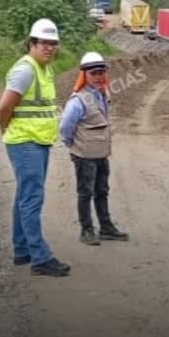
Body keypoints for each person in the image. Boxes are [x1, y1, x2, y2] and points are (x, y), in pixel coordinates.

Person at [0, 18, 70, 277]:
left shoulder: (44, 69)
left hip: (38, 141)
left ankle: (22, 250)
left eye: (53, 44)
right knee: (32, 199)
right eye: (44, 43)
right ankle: (40, 257)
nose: (49, 48)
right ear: (31, 44)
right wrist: (4, 128)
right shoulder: (26, 70)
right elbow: (4, 107)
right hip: (25, 143)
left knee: (24, 197)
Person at [59, 51, 130, 245]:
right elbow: (65, 127)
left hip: (101, 155)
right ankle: (87, 230)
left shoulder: (102, 94)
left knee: (102, 190)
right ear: (85, 75)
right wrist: (72, 145)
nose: (99, 77)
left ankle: (106, 228)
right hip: (84, 155)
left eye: (101, 73)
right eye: (94, 73)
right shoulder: (78, 101)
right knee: (85, 193)